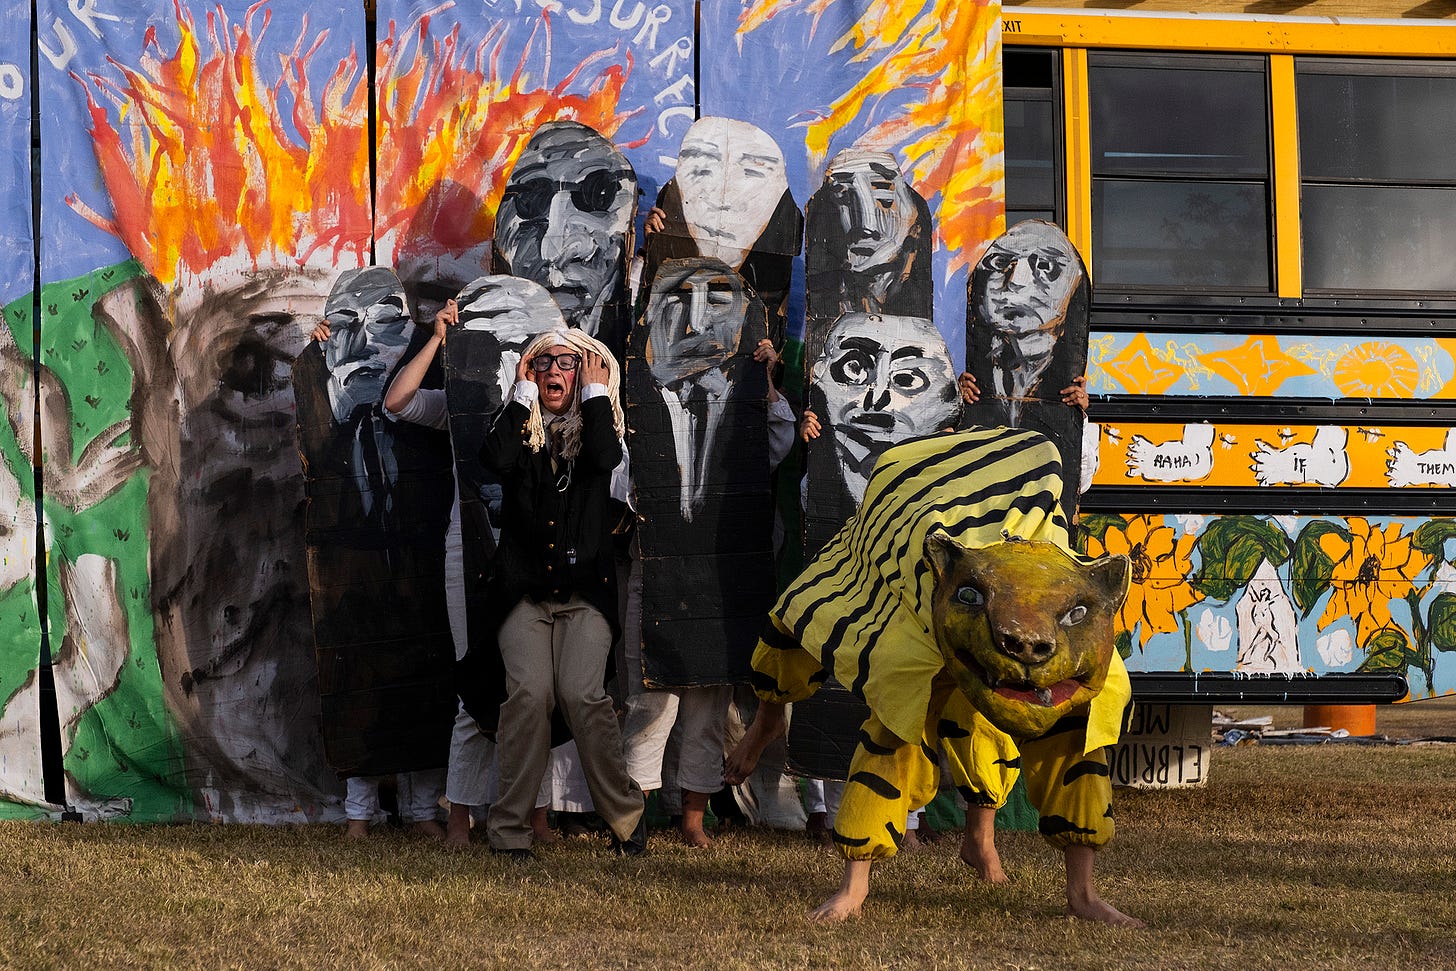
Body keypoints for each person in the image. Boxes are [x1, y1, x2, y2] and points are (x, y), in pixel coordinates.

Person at [481, 328, 646, 858]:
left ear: (590, 375)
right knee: (528, 695)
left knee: (582, 695)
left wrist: (598, 398)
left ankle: (625, 818)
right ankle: (509, 833)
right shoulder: (517, 429)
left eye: (568, 364)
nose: (555, 372)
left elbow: (603, 458)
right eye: (544, 363)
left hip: (585, 594)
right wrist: (522, 397)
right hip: (523, 594)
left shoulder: (602, 427)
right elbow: (496, 461)